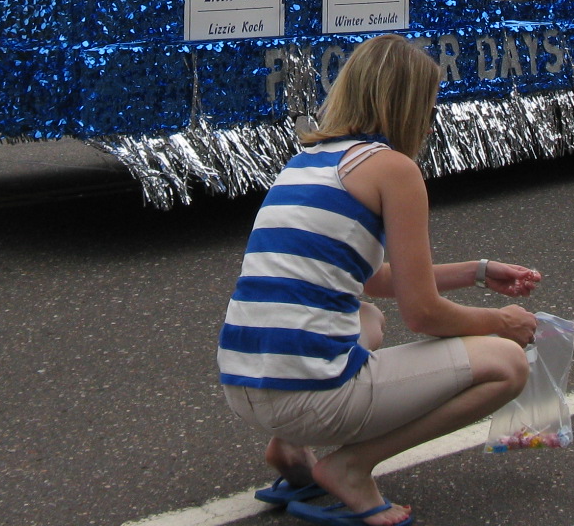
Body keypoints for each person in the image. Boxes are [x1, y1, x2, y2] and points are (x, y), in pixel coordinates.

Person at [219, 34, 542, 526]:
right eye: (429, 107)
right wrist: (501, 324)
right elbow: (423, 314)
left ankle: (288, 449)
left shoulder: (309, 160)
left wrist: (478, 271)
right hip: (307, 396)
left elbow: (373, 280)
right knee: (508, 365)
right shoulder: (395, 169)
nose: (431, 120)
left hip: (243, 383)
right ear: (408, 105)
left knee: (365, 315)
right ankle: (350, 466)